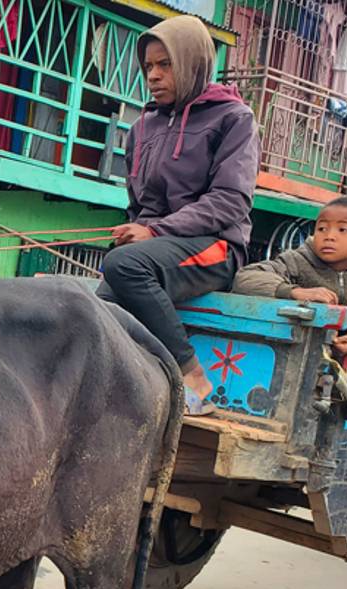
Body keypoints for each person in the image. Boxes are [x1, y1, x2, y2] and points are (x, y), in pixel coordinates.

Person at [95, 15, 260, 415]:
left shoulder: (234, 119)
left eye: (164, 64)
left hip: (216, 247)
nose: (153, 75)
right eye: (148, 66)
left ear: (192, 62)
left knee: (125, 266)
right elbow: (140, 203)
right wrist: (139, 229)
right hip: (161, 244)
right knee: (100, 305)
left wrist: (155, 232)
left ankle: (192, 377)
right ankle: (122, 397)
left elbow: (230, 202)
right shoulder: (142, 128)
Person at [234, 197, 347, 359]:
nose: (329, 236)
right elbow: (245, 278)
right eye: (321, 228)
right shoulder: (296, 261)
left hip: (340, 379)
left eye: (343, 230)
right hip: (283, 358)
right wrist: (294, 292)